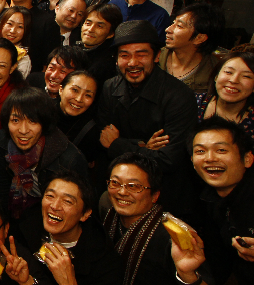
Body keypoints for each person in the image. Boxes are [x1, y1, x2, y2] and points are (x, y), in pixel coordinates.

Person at [102, 152, 229, 285]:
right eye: (115, 183)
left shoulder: (174, 237)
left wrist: (188, 275)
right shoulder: (108, 212)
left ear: (155, 196)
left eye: (133, 186)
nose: (122, 192)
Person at [97, 20, 197, 213]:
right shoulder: (110, 87)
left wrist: (118, 144)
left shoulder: (179, 96)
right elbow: (102, 139)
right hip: (118, 187)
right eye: (124, 55)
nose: (132, 63)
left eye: (141, 54)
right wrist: (143, 147)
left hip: (163, 195)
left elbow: (168, 160)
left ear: (157, 56)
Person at [0, 87, 88, 231]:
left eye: (32, 121)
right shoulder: (3, 141)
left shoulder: (70, 160)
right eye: (15, 120)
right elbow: (2, 188)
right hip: (14, 220)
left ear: (44, 124)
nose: (23, 130)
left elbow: (79, 209)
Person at [191, 118, 254, 285]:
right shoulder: (210, 199)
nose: (209, 158)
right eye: (200, 151)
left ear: (247, 159)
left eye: (221, 150)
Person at [159, 3, 224, 93]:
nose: (168, 29)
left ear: (199, 38)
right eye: (173, 23)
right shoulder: (153, 57)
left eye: (179, 26)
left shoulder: (214, 73)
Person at [196, 52, 254, 138]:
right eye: (228, 72)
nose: (234, 80)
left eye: (246, 76)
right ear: (216, 76)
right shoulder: (192, 102)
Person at [29, 0, 86, 73]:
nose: (74, 16)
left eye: (79, 14)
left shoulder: (81, 41)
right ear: (57, 8)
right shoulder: (38, 31)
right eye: (71, 10)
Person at [57, 71, 101, 164]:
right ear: (61, 89)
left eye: (88, 95)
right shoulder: (41, 113)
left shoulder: (91, 132)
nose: (79, 99)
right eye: (75, 90)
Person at [78, 3, 123, 86]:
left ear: (111, 34)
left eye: (99, 26)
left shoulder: (107, 66)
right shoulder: (75, 50)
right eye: (88, 23)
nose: (90, 29)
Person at [0, 7, 32, 77]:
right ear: (2, 23)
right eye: (10, 24)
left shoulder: (23, 58)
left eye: (20, 27)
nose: (13, 31)